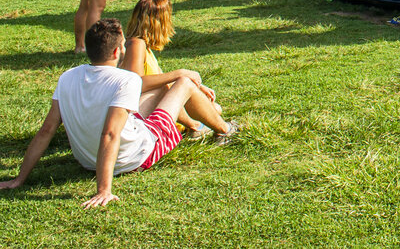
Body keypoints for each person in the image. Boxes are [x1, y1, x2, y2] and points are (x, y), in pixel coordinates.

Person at [0, 19, 234, 209]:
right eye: (123, 45)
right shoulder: (126, 80)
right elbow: (110, 133)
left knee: (156, 93)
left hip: (86, 160)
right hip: (135, 157)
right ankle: (226, 129)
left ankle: (195, 127)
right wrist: (104, 190)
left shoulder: (67, 77)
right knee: (184, 84)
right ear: (116, 51)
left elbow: (46, 130)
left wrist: (19, 179)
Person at [122, 0, 233, 139]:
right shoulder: (136, 44)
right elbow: (135, 84)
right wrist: (180, 73)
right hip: (140, 112)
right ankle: (198, 127)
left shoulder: (144, 46)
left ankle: (196, 126)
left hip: (152, 104)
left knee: (215, 109)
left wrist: (198, 87)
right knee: (206, 110)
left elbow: (160, 79)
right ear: (160, 21)